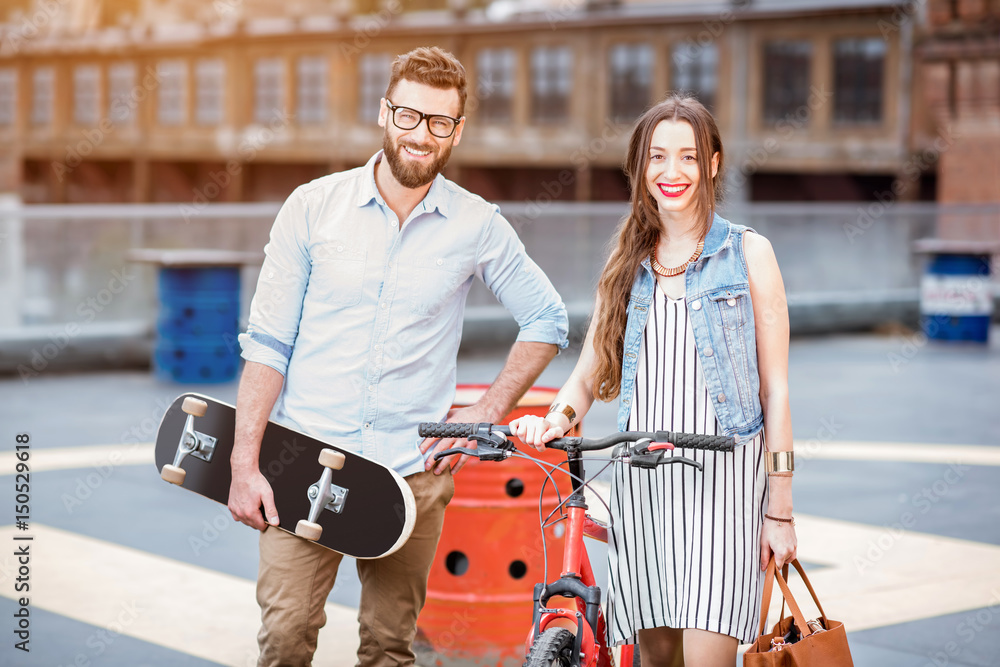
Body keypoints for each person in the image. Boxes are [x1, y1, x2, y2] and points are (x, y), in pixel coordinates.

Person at [229, 46, 568, 667]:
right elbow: (269, 345)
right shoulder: (312, 207)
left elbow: (547, 320)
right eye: (409, 116)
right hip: (305, 459)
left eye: (440, 122)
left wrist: (484, 414)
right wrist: (244, 463)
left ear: (457, 130)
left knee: (389, 648)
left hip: (412, 473)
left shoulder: (477, 224)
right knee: (283, 641)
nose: (422, 135)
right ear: (384, 113)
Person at [510, 95, 796, 666]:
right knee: (655, 659)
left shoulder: (748, 254)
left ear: (712, 164)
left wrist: (780, 511)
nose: (672, 172)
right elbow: (589, 372)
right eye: (657, 157)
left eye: (688, 157)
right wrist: (555, 419)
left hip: (725, 492)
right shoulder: (627, 261)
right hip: (643, 490)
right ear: (640, 166)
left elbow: (777, 390)